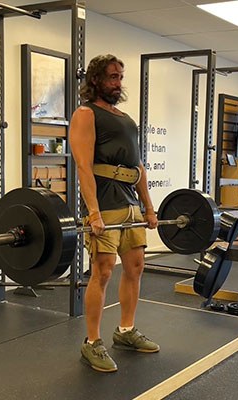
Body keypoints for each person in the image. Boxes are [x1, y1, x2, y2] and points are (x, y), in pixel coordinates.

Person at [69, 54, 160, 373]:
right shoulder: (85, 114)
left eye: (121, 77)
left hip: (129, 204)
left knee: (135, 267)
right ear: (95, 80)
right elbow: (83, 166)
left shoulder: (125, 118)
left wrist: (148, 206)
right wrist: (93, 213)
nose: (118, 82)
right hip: (104, 205)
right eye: (112, 77)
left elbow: (138, 168)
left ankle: (125, 331)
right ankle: (92, 342)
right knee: (103, 270)